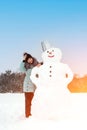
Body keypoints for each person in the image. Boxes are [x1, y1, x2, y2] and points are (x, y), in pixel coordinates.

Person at [19, 52, 41, 118]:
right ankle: (28, 115)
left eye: (30, 58)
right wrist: (23, 60)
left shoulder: (37, 64)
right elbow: (21, 69)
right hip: (28, 87)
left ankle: (36, 114)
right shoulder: (26, 68)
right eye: (28, 59)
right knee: (28, 102)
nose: (30, 60)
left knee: (37, 102)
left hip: (36, 88)